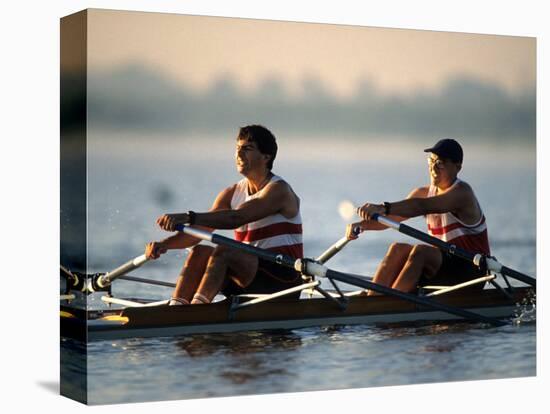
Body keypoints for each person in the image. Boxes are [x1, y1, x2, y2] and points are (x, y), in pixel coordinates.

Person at [145, 125, 303, 305]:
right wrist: (163, 245)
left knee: (224, 250)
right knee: (200, 251)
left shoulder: (278, 190)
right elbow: (199, 231)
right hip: (248, 276)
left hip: (282, 281)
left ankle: (198, 310)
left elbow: (237, 217)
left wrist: (189, 216)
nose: (239, 154)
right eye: (237, 148)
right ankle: (176, 307)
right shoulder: (231, 193)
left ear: (266, 157)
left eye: (247, 149)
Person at [346, 138, 490, 295]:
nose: (434, 168)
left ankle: (392, 304)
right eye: (431, 161)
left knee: (421, 252)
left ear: (457, 167)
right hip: (444, 267)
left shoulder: (462, 193)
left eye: (440, 163)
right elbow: (390, 219)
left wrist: (382, 208)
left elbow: (421, 206)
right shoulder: (422, 193)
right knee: (397, 249)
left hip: (471, 271)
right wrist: (361, 225)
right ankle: (373, 299)